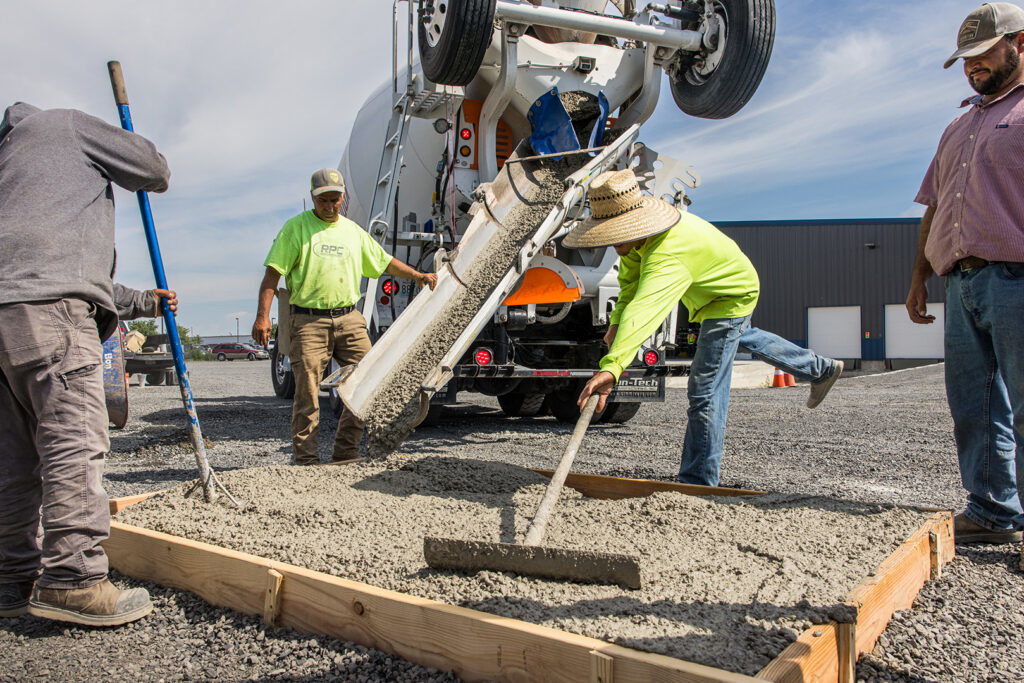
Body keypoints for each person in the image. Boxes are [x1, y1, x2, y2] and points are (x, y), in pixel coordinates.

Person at [0, 102, 172, 625]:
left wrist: (144, 301)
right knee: (74, 442)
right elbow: (153, 169)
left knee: (14, 459)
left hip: (8, 312)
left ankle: (12, 579)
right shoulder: (65, 125)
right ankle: (73, 580)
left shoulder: (9, 162)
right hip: (51, 315)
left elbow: (58, 266)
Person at [568, 169, 843, 487]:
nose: (613, 243)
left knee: (705, 392)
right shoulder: (635, 242)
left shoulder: (668, 253)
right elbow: (629, 284)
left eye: (616, 234)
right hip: (712, 290)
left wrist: (612, 367)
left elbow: (646, 309)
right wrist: (616, 323)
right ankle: (819, 368)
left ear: (635, 224)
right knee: (742, 336)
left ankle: (698, 483)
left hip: (729, 295)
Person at [906, 2, 1024, 545]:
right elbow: (934, 205)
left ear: (1019, 44)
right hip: (962, 282)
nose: (972, 66)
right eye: (966, 59)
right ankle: (993, 510)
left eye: (982, 54)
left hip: (1016, 278)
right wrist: (918, 277)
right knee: (972, 404)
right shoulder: (958, 124)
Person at [252, 168, 437, 465]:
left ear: (342, 198)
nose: (329, 206)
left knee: (365, 383)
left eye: (335, 199)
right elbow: (272, 277)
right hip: (309, 321)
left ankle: (345, 453)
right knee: (307, 393)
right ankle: (306, 460)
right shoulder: (296, 229)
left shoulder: (352, 231)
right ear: (313, 198)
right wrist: (263, 317)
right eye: (323, 200)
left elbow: (385, 262)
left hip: (349, 319)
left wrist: (418, 275)